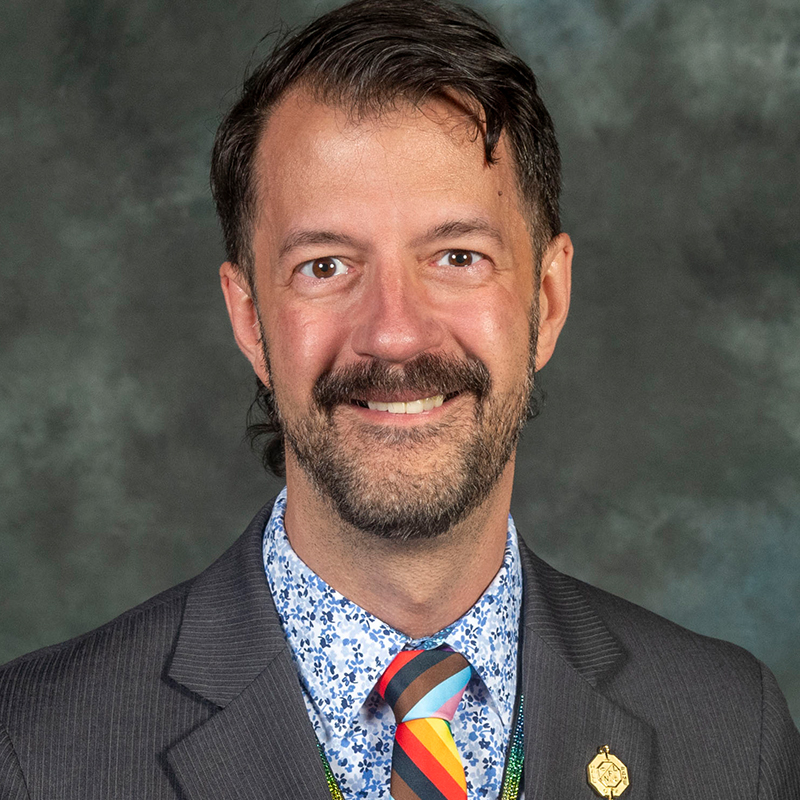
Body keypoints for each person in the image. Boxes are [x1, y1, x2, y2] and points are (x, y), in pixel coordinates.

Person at [1, 0, 798, 797]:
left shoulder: (734, 731)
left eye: (457, 256)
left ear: (547, 301)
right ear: (249, 319)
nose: (394, 335)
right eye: (325, 265)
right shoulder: (35, 750)